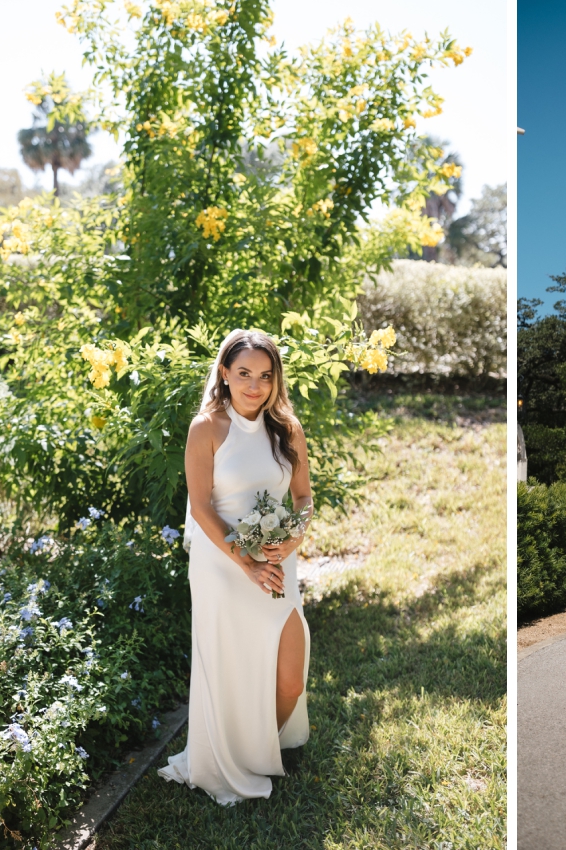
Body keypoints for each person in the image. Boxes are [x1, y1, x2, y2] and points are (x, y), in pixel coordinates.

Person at [158, 329, 314, 804]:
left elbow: (304, 497)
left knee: (291, 674)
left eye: (264, 376)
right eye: (243, 373)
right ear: (224, 373)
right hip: (222, 563)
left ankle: (259, 742)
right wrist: (243, 561)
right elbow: (201, 506)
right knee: (230, 666)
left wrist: (294, 537)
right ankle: (232, 757)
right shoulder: (205, 428)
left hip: (274, 561)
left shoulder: (287, 427)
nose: (254, 385)